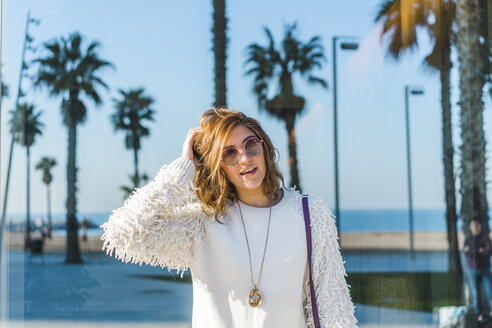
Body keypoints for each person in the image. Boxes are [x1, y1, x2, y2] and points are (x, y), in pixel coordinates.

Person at [101, 108, 358, 327]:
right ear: (217, 165)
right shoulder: (202, 224)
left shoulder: (310, 214)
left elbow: (334, 307)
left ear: (264, 147)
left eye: (250, 144)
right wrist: (184, 169)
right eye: (229, 153)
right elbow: (122, 234)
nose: (245, 158)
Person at [463, 219, 492, 321]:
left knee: (489, 291)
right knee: (475, 293)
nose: (475, 228)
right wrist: (478, 250)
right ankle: (479, 315)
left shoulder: (485, 239)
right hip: (472, 270)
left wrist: (473, 250)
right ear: (470, 227)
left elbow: (488, 252)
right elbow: (467, 253)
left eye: (477, 225)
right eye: (473, 225)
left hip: (485, 269)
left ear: (480, 226)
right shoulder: (468, 239)